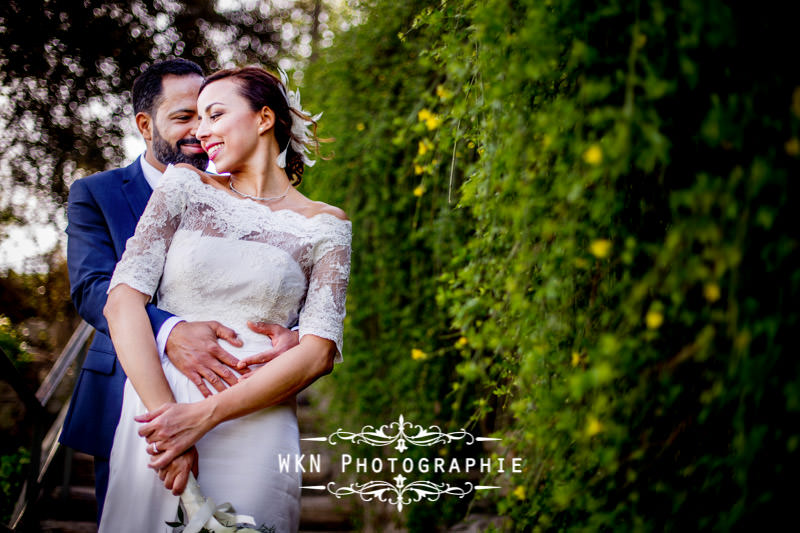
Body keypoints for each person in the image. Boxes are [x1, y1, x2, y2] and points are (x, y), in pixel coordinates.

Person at [98, 66, 351, 533]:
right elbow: (122, 303)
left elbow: (318, 352)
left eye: (215, 114)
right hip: (160, 408)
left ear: (264, 118)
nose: (200, 130)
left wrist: (203, 417)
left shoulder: (327, 225)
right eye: (195, 118)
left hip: (257, 418)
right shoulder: (183, 187)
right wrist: (171, 424)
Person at [60, 58, 299, 522]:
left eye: (210, 114)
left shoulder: (250, 192)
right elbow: (93, 288)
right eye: (184, 117)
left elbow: (267, 281)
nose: (200, 130)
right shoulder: (97, 193)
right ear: (146, 124)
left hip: (240, 399)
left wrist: (294, 332)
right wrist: (171, 330)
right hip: (130, 401)